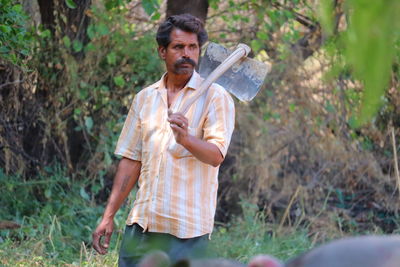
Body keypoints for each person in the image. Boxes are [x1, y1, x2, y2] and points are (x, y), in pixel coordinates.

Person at [92, 13, 235, 266]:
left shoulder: (216, 97)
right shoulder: (145, 98)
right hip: (142, 225)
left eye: (193, 47)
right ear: (162, 51)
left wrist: (186, 139)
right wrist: (108, 215)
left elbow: (216, 156)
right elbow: (131, 160)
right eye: (178, 47)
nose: (187, 54)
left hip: (188, 232)